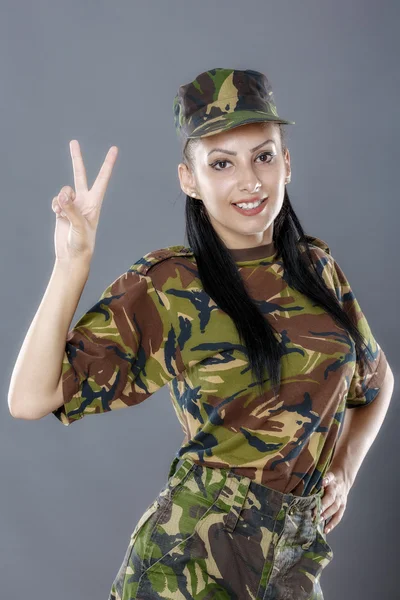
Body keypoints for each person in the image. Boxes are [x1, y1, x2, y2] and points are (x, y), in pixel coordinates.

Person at [8, 68, 394, 599]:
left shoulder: (318, 271)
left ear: (287, 162)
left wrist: (344, 471)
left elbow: (377, 383)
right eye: (221, 163)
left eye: (263, 156)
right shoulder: (172, 284)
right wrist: (71, 263)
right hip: (190, 563)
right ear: (189, 179)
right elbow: (30, 398)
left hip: (293, 560)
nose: (249, 181)